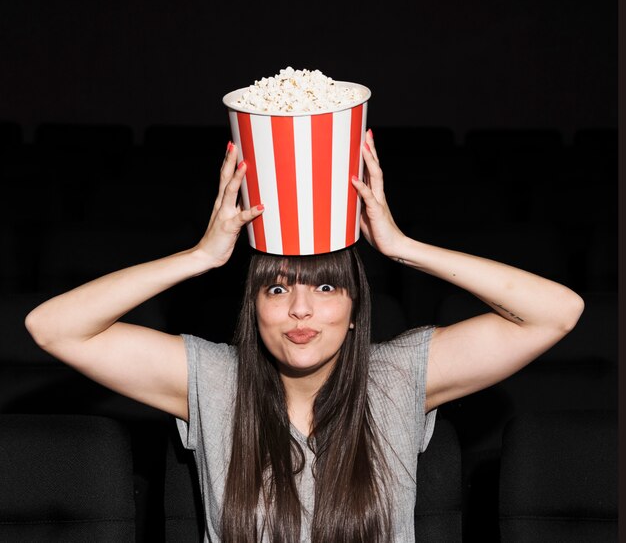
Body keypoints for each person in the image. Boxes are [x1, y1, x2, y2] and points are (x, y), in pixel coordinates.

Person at [25, 130, 584, 542]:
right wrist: (199, 258)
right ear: (253, 309)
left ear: (356, 309)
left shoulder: (396, 377)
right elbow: (50, 328)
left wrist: (402, 247)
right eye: (277, 291)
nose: (299, 310)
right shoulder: (216, 382)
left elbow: (557, 312)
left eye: (324, 290)